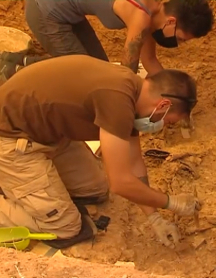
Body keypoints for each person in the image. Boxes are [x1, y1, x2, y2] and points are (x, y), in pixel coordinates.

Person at [0, 54, 200, 249]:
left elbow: (134, 164)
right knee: (65, 227)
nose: (163, 125)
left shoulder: (132, 91)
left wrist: (154, 217)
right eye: (168, 120)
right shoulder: (117, 101)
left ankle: (25, 187)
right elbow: (120, 183)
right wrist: (171, 203)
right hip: (10, 137)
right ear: (163, 105)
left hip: (46, 133)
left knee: (94, 190)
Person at [0, 0, 213, 81]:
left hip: (68, 13)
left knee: (99, 68)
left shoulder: (153, 11)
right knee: (87, 77)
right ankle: (11, 73)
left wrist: (174, 89)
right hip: (45, 11)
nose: (178, 44)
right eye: (180, 39)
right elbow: (126, 74)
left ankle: (14, 60)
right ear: (172, 21)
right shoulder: (140, 16)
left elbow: (149, 62)